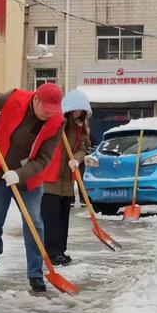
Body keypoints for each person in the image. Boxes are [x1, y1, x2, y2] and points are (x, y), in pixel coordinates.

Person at [0, 83, 64, 294]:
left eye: (52, 112)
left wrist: (19, 174)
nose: (47, 116)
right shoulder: (15, 98)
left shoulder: (57, 122)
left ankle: (35, 274)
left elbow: (43, 159)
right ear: (35, 100)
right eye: (45, 111)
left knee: (34, 223)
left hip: (28, 180)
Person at [41, 89, 92, 265]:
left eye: (81, 111)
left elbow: (83, 148)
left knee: (63, 218)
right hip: (50, 179)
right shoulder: (56, 123)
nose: (77, 114)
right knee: (51, 218)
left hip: (67, 181)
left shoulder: (80, 128)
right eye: (75, 110)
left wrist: (76, 160)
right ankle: (51, 252)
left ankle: (60, 251)